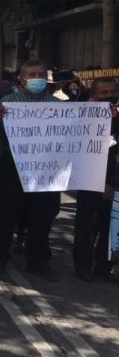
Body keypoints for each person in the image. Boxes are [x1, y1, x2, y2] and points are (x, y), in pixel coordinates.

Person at [0, 59, 62, 282]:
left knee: (43, 215)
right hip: (13, 164)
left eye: (40, 74)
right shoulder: (8, 102)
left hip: (46, 167)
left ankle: (38, 260)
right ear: (22, 79)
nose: (36, 78)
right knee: (6, 214)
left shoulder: (56, 105)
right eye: (31, 74)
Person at [73, 77, 119, 282]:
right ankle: (83, 266)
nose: (109, 96)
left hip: (115, 180)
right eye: (104, 93)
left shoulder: (117, 114)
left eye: (112, 92)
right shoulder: (81, 115)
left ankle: (104, 265)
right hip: (91, 179)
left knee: (111, 227)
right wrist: (102, 183)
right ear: (93, 95)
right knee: (87, 226)